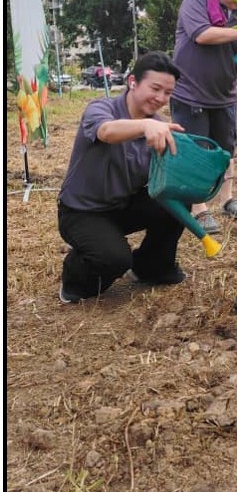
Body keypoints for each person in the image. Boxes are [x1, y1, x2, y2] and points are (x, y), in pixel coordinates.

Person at [58, 51, 186, 303]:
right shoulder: (102, 108)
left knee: (176, 203)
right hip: (82, 211)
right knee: (113, 258)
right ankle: (75, 280)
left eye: (168, 93)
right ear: (133, 82)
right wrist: (145, 126)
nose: (161, 98)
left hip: (122, 205)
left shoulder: (158, 126)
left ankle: (151, 268)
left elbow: (164, 176)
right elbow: (106, 132)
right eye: (155, 88)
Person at [171, 0, 237, 235]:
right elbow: (202, 35)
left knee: (226, 150)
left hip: (225, 94)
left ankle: (228, 199)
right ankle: (200, 208)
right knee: (197, 151)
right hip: (191, 93)